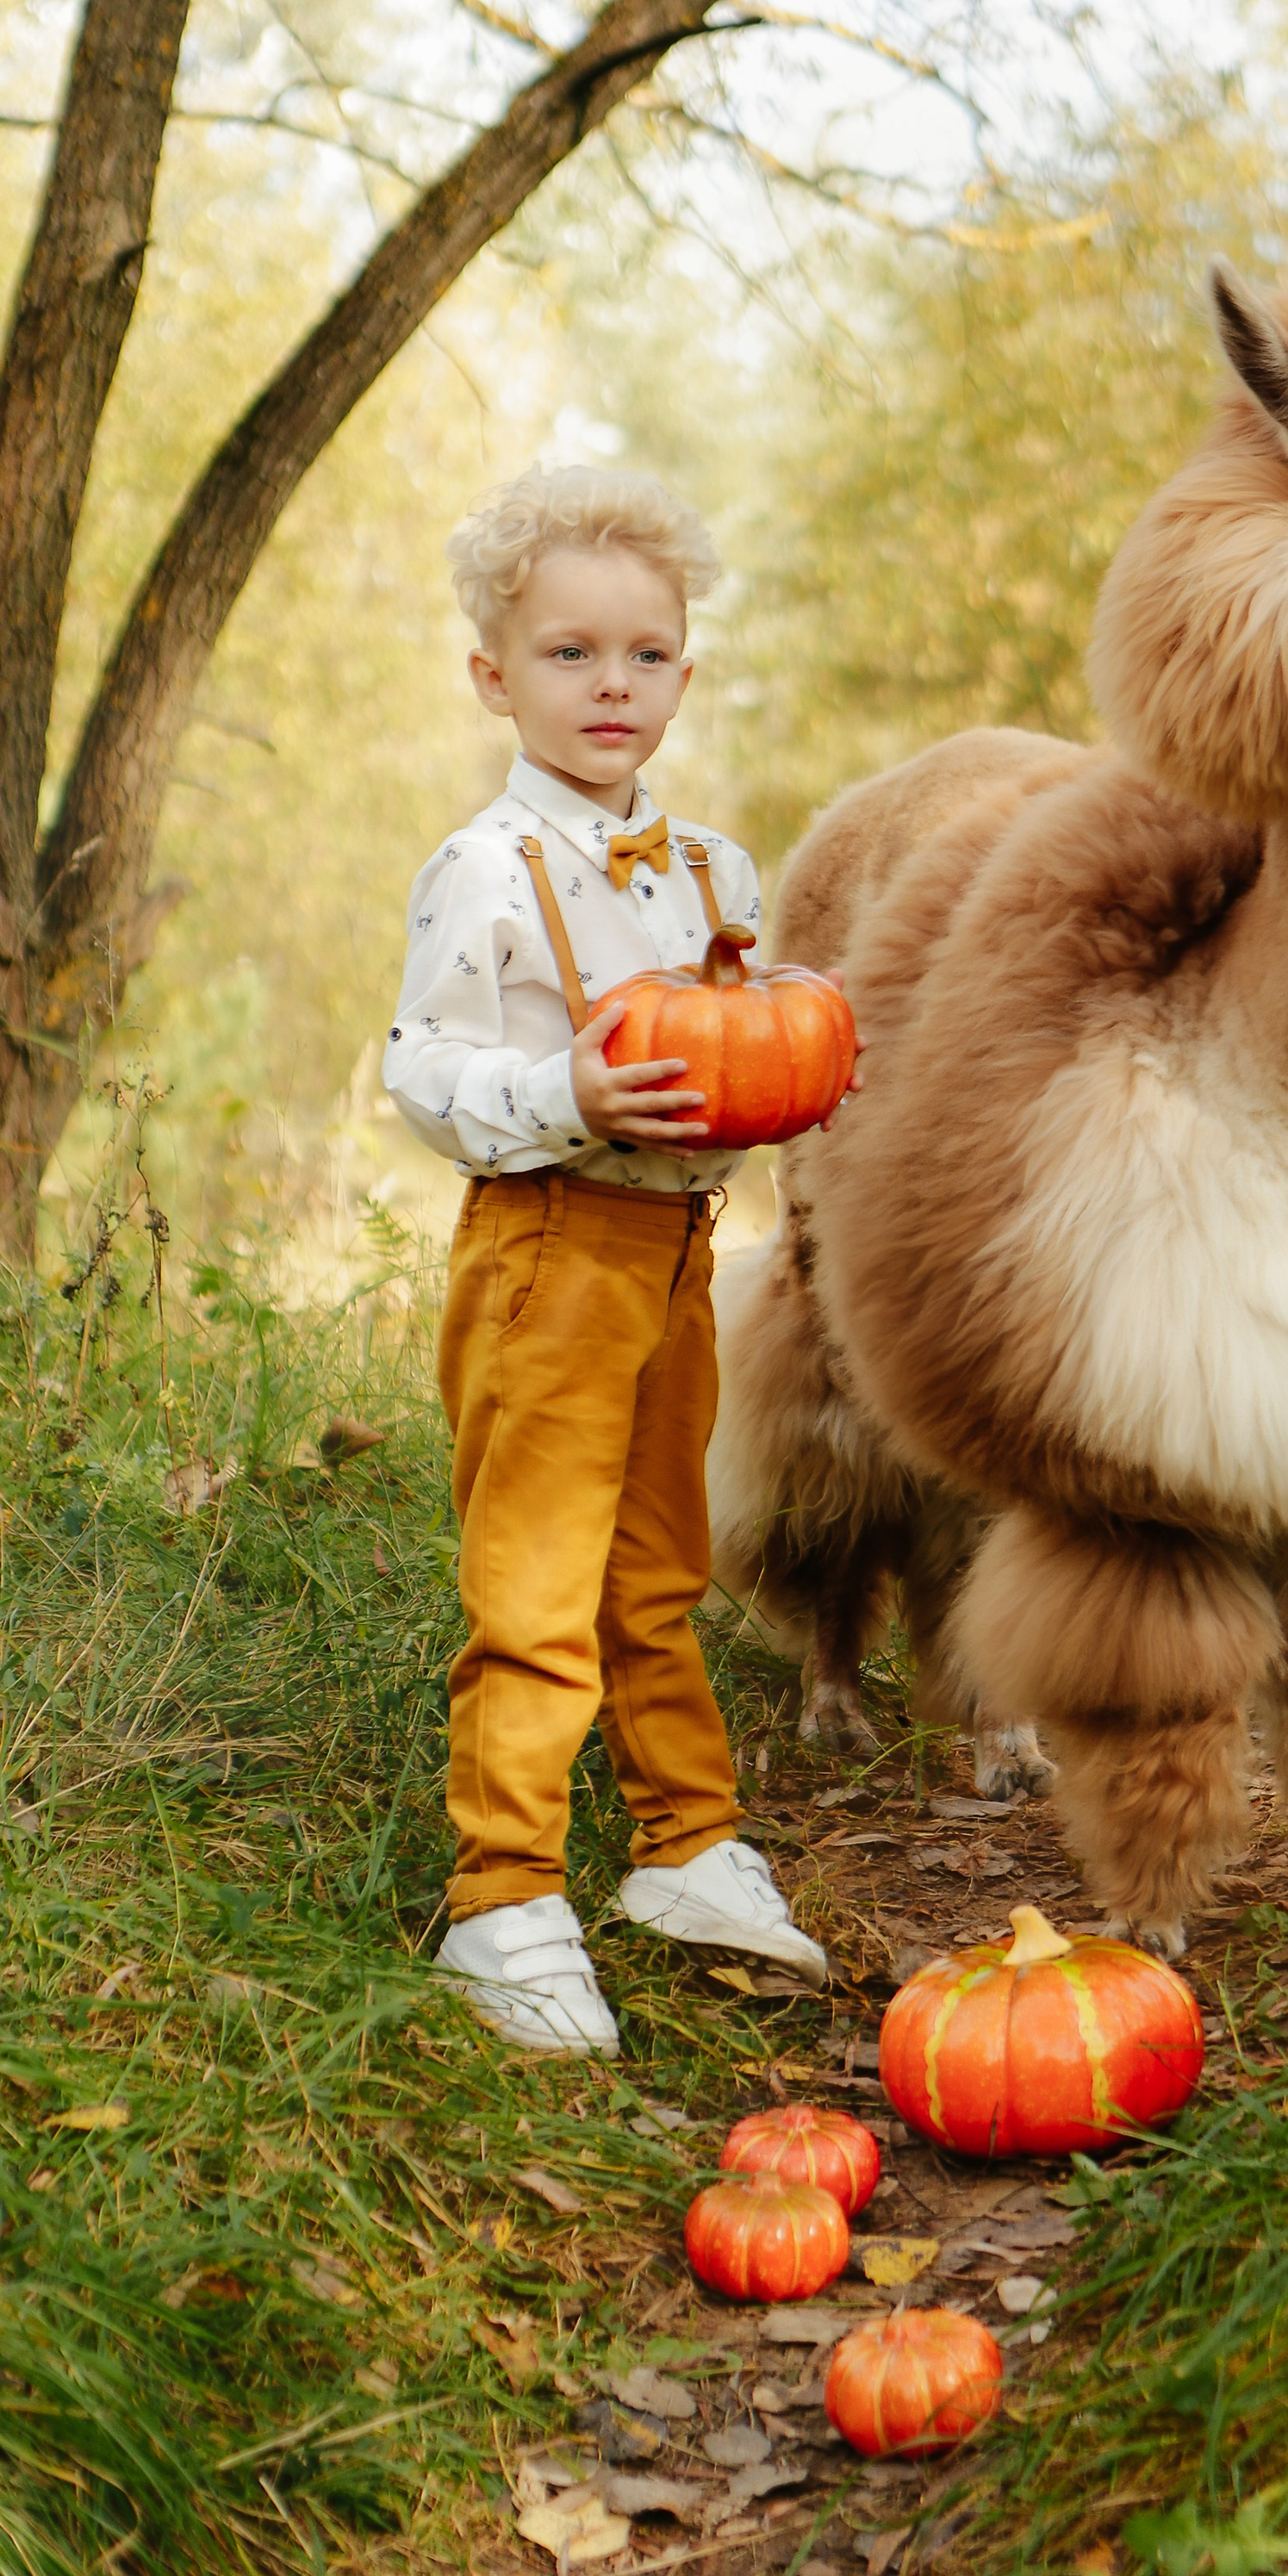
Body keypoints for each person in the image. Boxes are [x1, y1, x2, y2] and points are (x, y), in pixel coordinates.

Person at [385, 462, 830, 2053]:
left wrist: (796, 1077)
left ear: (686, 673)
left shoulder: (716, 872)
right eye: (570, 654)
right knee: (535, 1581)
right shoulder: (486, 869)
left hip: (677, 1251)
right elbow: (422, 1070)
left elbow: (737, 1054)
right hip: (545, 1250)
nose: (611, 684)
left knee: (661, 1567)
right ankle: (503, 1894)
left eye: (645, 653)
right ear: (496, 674)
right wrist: (559, 1090)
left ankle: (685, 1845)